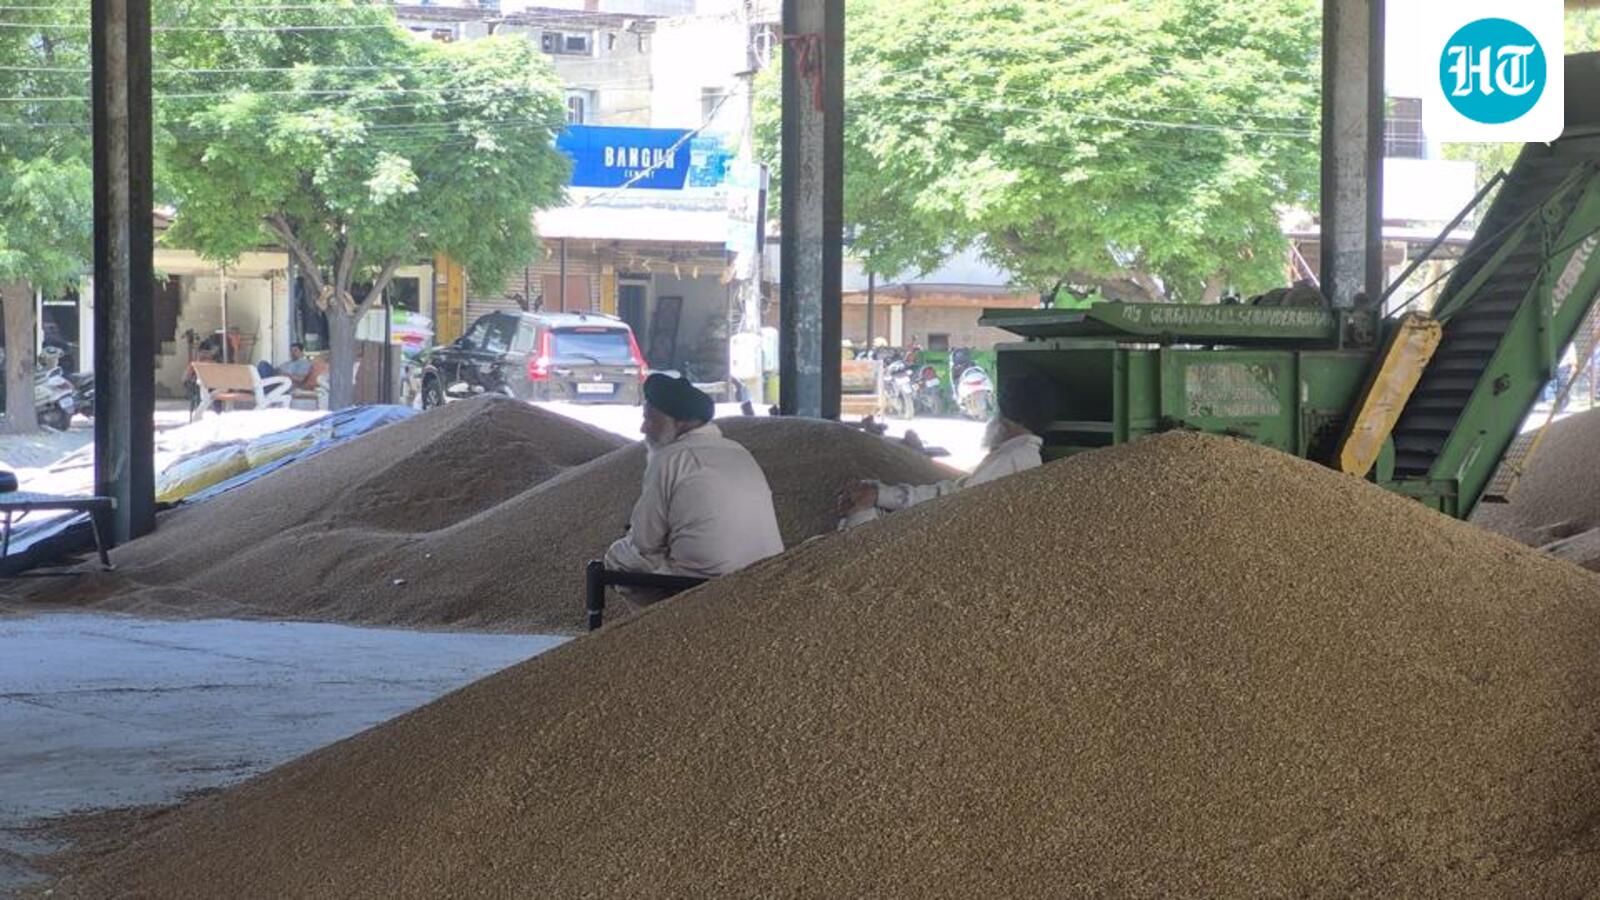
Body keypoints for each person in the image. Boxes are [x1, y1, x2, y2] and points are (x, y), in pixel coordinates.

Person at [604, 374, 785, 592]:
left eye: (650, 419)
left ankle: (662, 614)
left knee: (618, 557)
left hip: (700, 584)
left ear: (681, 421)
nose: (644, 428)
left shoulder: (669, 458)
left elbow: (644, 542)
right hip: (767, 576)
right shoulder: (739, 450)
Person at [837, 376, 1053, 529]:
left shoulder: (1013, 458)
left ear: (1005, 420)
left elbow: (958, 499)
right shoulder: (1020, 454)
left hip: (959, 534)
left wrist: (880, 495)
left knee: (861, 515)